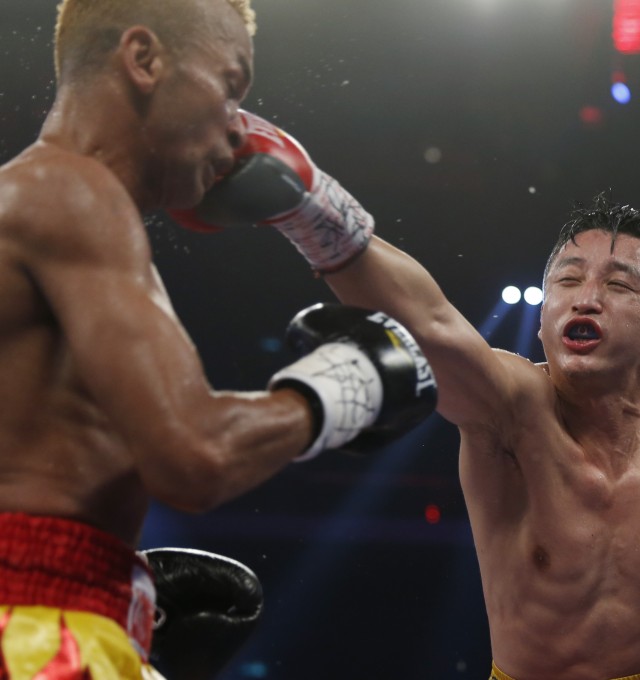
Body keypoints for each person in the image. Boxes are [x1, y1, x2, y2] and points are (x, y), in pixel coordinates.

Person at [181, 111, 640, 679]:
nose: (586, 297)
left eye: (619, 285)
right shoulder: (513, 406)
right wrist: (311, 207)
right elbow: (432, 320)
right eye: (567, 280)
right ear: (545, 314)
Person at [0, 1, 435, 678]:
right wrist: (350, 383)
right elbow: (195, 456)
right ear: (143, 60)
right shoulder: (70, 193)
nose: (238, 129)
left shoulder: (39, 201)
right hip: (34, 627)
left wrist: (127, 586)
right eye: (231, 88)